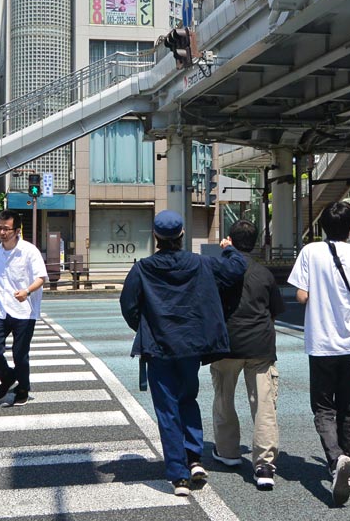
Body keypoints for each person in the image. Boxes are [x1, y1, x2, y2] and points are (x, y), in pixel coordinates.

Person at [120, 210, 247, 498]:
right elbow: (235, 270)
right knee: (188, 399)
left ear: (155, 237)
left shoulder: (143, 269)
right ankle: (194, 459)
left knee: (167, 409)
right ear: (181, 236)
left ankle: (178, 475)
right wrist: (229, 250)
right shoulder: (200, 263)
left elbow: (128, 305)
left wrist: (145, 326)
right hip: (191, 346)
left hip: (158, 348)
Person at [287, 201, 350, 506]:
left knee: (323, 407)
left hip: (321, 343)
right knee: (347, 406)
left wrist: (315, 294)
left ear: (322, 226)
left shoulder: (310, 252)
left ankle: (335, 459)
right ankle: (348, 463)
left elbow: (300, 294)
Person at [210, 220, 285, 490]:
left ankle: (227, 451)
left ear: (229, 240)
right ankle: (264, 464)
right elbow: (275, 310)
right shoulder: (264, 274)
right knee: (264, 404)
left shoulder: (220, 270)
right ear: (253, 243)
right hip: (260, 346)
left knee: (223, 398)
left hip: (226, 344)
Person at [0, 210, 48, 407]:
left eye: (6, 229)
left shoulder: (29, 251)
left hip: (24, 311)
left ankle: (23, 388)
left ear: (17, 230)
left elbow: (41, 278)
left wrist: (27, 291)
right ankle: (8, 377)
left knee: (20, 355)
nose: (1, 232)